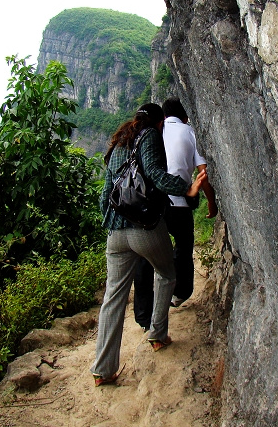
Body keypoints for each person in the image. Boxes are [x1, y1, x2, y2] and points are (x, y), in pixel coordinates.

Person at [91, 103, 206, 387]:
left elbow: (105, 192)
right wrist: (186, 189)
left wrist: (111, 225)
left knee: (113, 297)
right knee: (166, 274)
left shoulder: (120, 141)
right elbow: (155, 173)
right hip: (144, 227)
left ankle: (103, 370)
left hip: (115, 233)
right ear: (158, 122)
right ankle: (157, 335)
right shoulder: (151, 135)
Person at [133, 98, 217, 329]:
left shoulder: (148, 131)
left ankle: (143, 315)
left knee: (145, 257)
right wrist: (211, 202)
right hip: (180, 201)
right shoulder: (189, 132)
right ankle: (179, 293)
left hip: (150, 203)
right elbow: (203, 173)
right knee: (182, 247)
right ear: (185, 116)